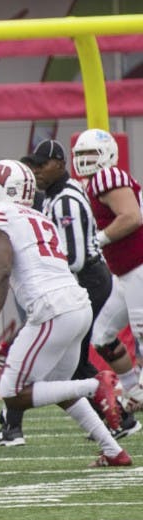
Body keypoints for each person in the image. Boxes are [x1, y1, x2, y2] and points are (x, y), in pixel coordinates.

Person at [0, 140, 139, 446]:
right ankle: (114, 436)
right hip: (72, 289)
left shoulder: (63, 198)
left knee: (32, 377)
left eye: (42, 164)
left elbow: (74, 256)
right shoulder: (44, 206)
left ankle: (98, 392)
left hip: (74, 286)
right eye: (34, 166)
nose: (38, 170)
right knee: (60, 368)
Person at [73, 129, 143, 416]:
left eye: (91, 154)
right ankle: (134, 392)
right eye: (80, 155)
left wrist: (98, 239)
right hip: (125, 273)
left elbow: (132, 216)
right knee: (102, 336)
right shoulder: (92, 184)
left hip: (139, 266)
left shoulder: (107, 177)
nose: (85, 161)